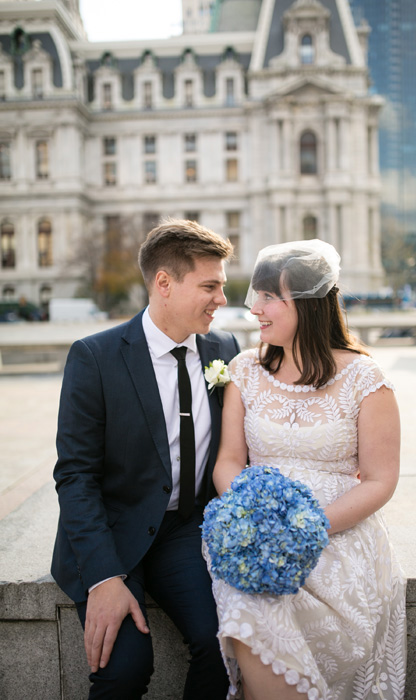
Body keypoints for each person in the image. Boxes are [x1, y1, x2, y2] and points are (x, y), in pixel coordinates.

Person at [207, 239, 407, 700]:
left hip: (340, 535)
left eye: (269, 297)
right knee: (248, 600)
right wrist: (251, 519)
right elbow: (229, 461)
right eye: (255, 295)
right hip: (252, 534)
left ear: (309, 304)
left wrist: (310, 528)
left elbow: (381, 479)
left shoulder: (365, 379)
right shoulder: (244, 371)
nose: (255, 308)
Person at [51, 218, 240, 699]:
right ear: (164, 284)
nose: (222, 298)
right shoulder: (94, 357)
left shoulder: (224, 349)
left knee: (226, 648)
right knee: (125, 670)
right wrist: (102, 577)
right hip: (113, 533)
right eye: (210, 286)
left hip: (184, 531)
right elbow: (75, 475)